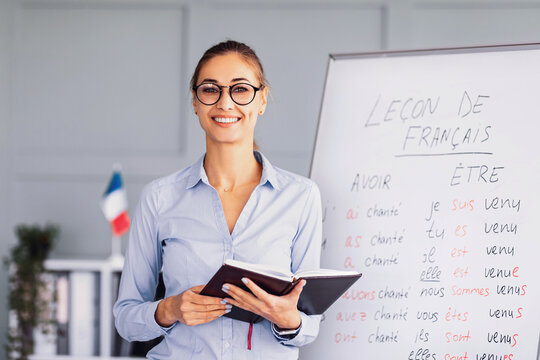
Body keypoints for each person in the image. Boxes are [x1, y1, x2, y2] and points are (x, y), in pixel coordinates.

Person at [113, 40, 322, 359]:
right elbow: (126, 320)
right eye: (211, 89)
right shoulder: (159, 198)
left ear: (262, 99)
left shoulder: (301, 196)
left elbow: (309, 325)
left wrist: (286, 318)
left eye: (240, 89)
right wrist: (170, 309)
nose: (225, 103)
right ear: (195, 102)